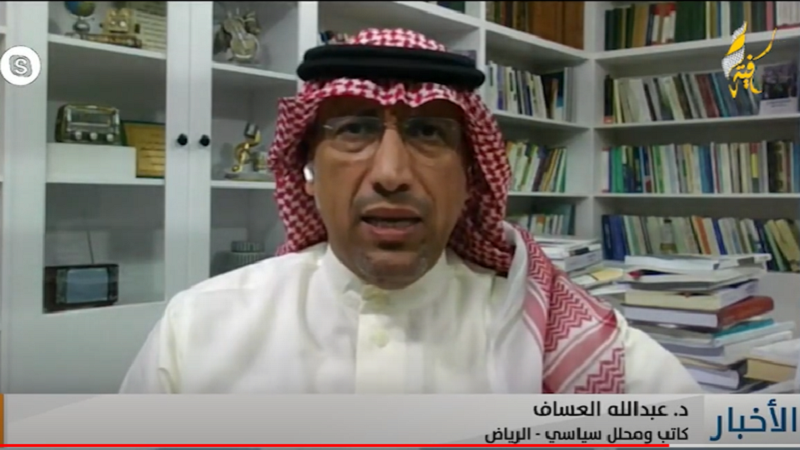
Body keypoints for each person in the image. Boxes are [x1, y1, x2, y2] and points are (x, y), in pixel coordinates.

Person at [120, 28, 702, 394]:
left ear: (470, 175)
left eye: (428, 133)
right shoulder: (198, 328)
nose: (391, 173)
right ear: (307, 167)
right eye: (354, 130)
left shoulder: (570, 343)